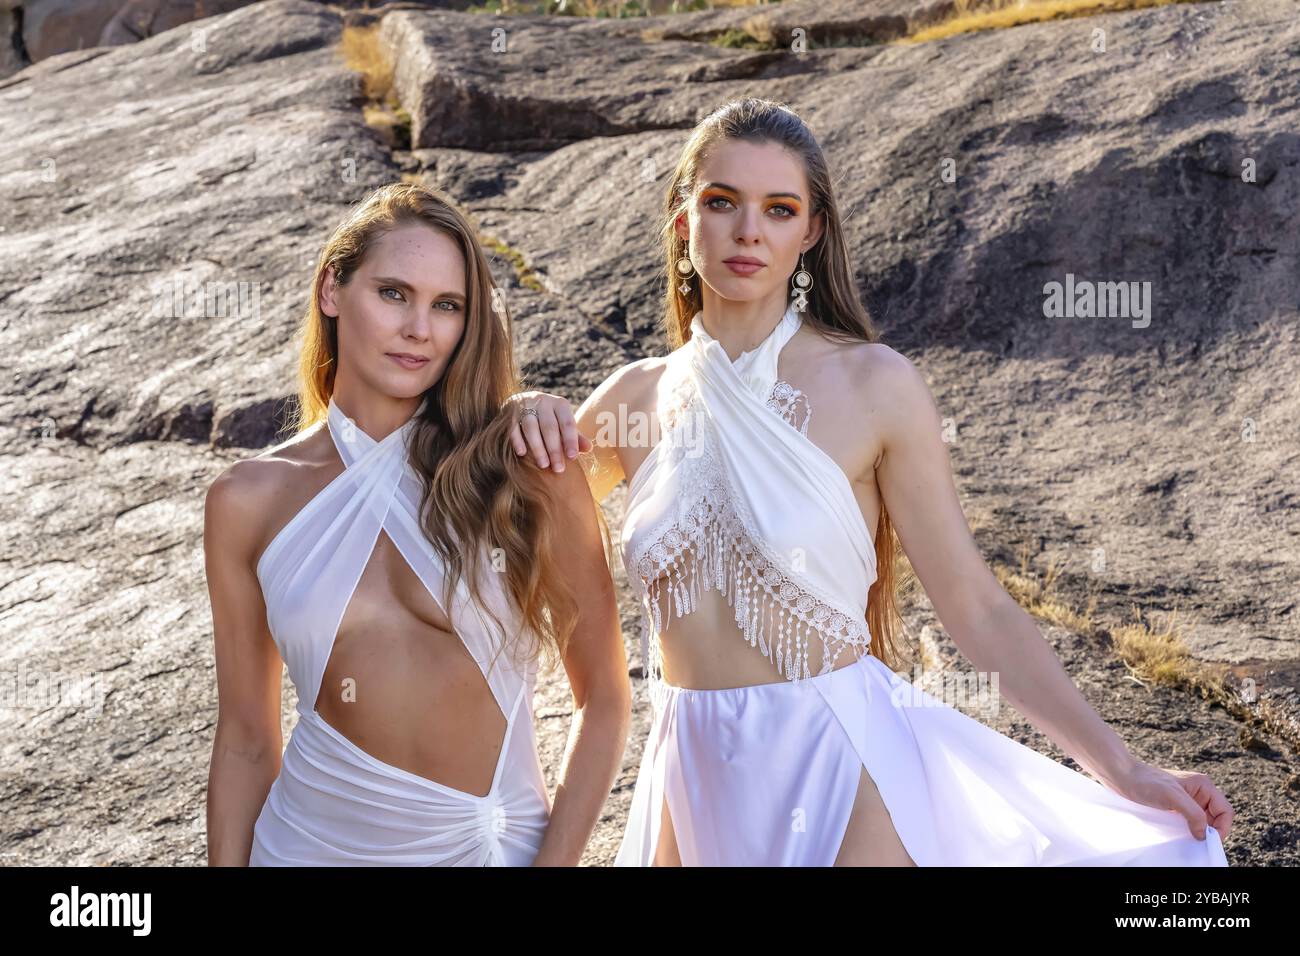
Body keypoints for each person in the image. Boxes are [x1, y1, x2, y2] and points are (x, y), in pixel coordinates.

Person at [508, 97, 1232, 866]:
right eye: (722, 203)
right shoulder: (631, 399)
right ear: (685, 221)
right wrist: (523, 412)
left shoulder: (874, 384)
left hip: (843, 762)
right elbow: (501, 543)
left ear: (810, 232)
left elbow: (977, 607)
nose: (749, 231)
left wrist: (1122, 768)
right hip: (690, 769)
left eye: (779, 209)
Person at [203, 183, 630, 866]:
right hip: (303, 848)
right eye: (394, 294)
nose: (419, 329)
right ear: (332, 292)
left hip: (486, 848)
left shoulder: (523, 467)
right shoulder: (247, 499)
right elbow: (246, 740)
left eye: (447, 306)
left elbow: (606, 700)